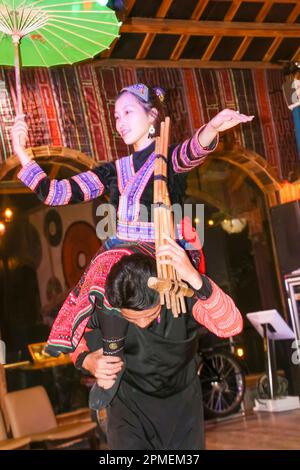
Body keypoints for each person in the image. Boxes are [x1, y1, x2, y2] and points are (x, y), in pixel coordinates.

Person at [11, 83, 253, 399]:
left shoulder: (167, 157)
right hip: (124, 252)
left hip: (164, 251)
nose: (120, 122)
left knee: (106, 263)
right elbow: (58, 193)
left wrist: (213, 127)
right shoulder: (115, 170)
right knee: (99, 275)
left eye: (128, 112)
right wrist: (22, 153)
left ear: (152, 116)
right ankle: (104, 360)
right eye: (115, 116)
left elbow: (192, 150)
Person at [69, 237, 243, 450]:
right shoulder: (106, 305)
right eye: (132, 318)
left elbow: (231, 326)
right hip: (129, 407)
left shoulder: (180, 296)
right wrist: (87, 360)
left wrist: (195, 279)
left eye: (149, 314)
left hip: (183, 406)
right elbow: (71, 333)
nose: (141, 324)